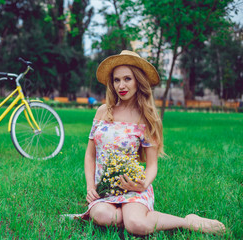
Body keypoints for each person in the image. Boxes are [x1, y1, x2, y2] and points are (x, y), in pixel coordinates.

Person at [76, 50, 225, 236]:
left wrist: (143, 184)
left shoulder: (147, 119)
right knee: (102, 215)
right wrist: (91, 187)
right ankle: (131, 215)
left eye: (127, 79)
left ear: (138, 81)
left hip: (132, 186)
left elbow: (152, 164)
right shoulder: (102, 112)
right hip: (105, 191)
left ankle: (188, 222)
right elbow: (90, 155)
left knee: (136, 226)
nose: (121, 85)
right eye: (116, 80)